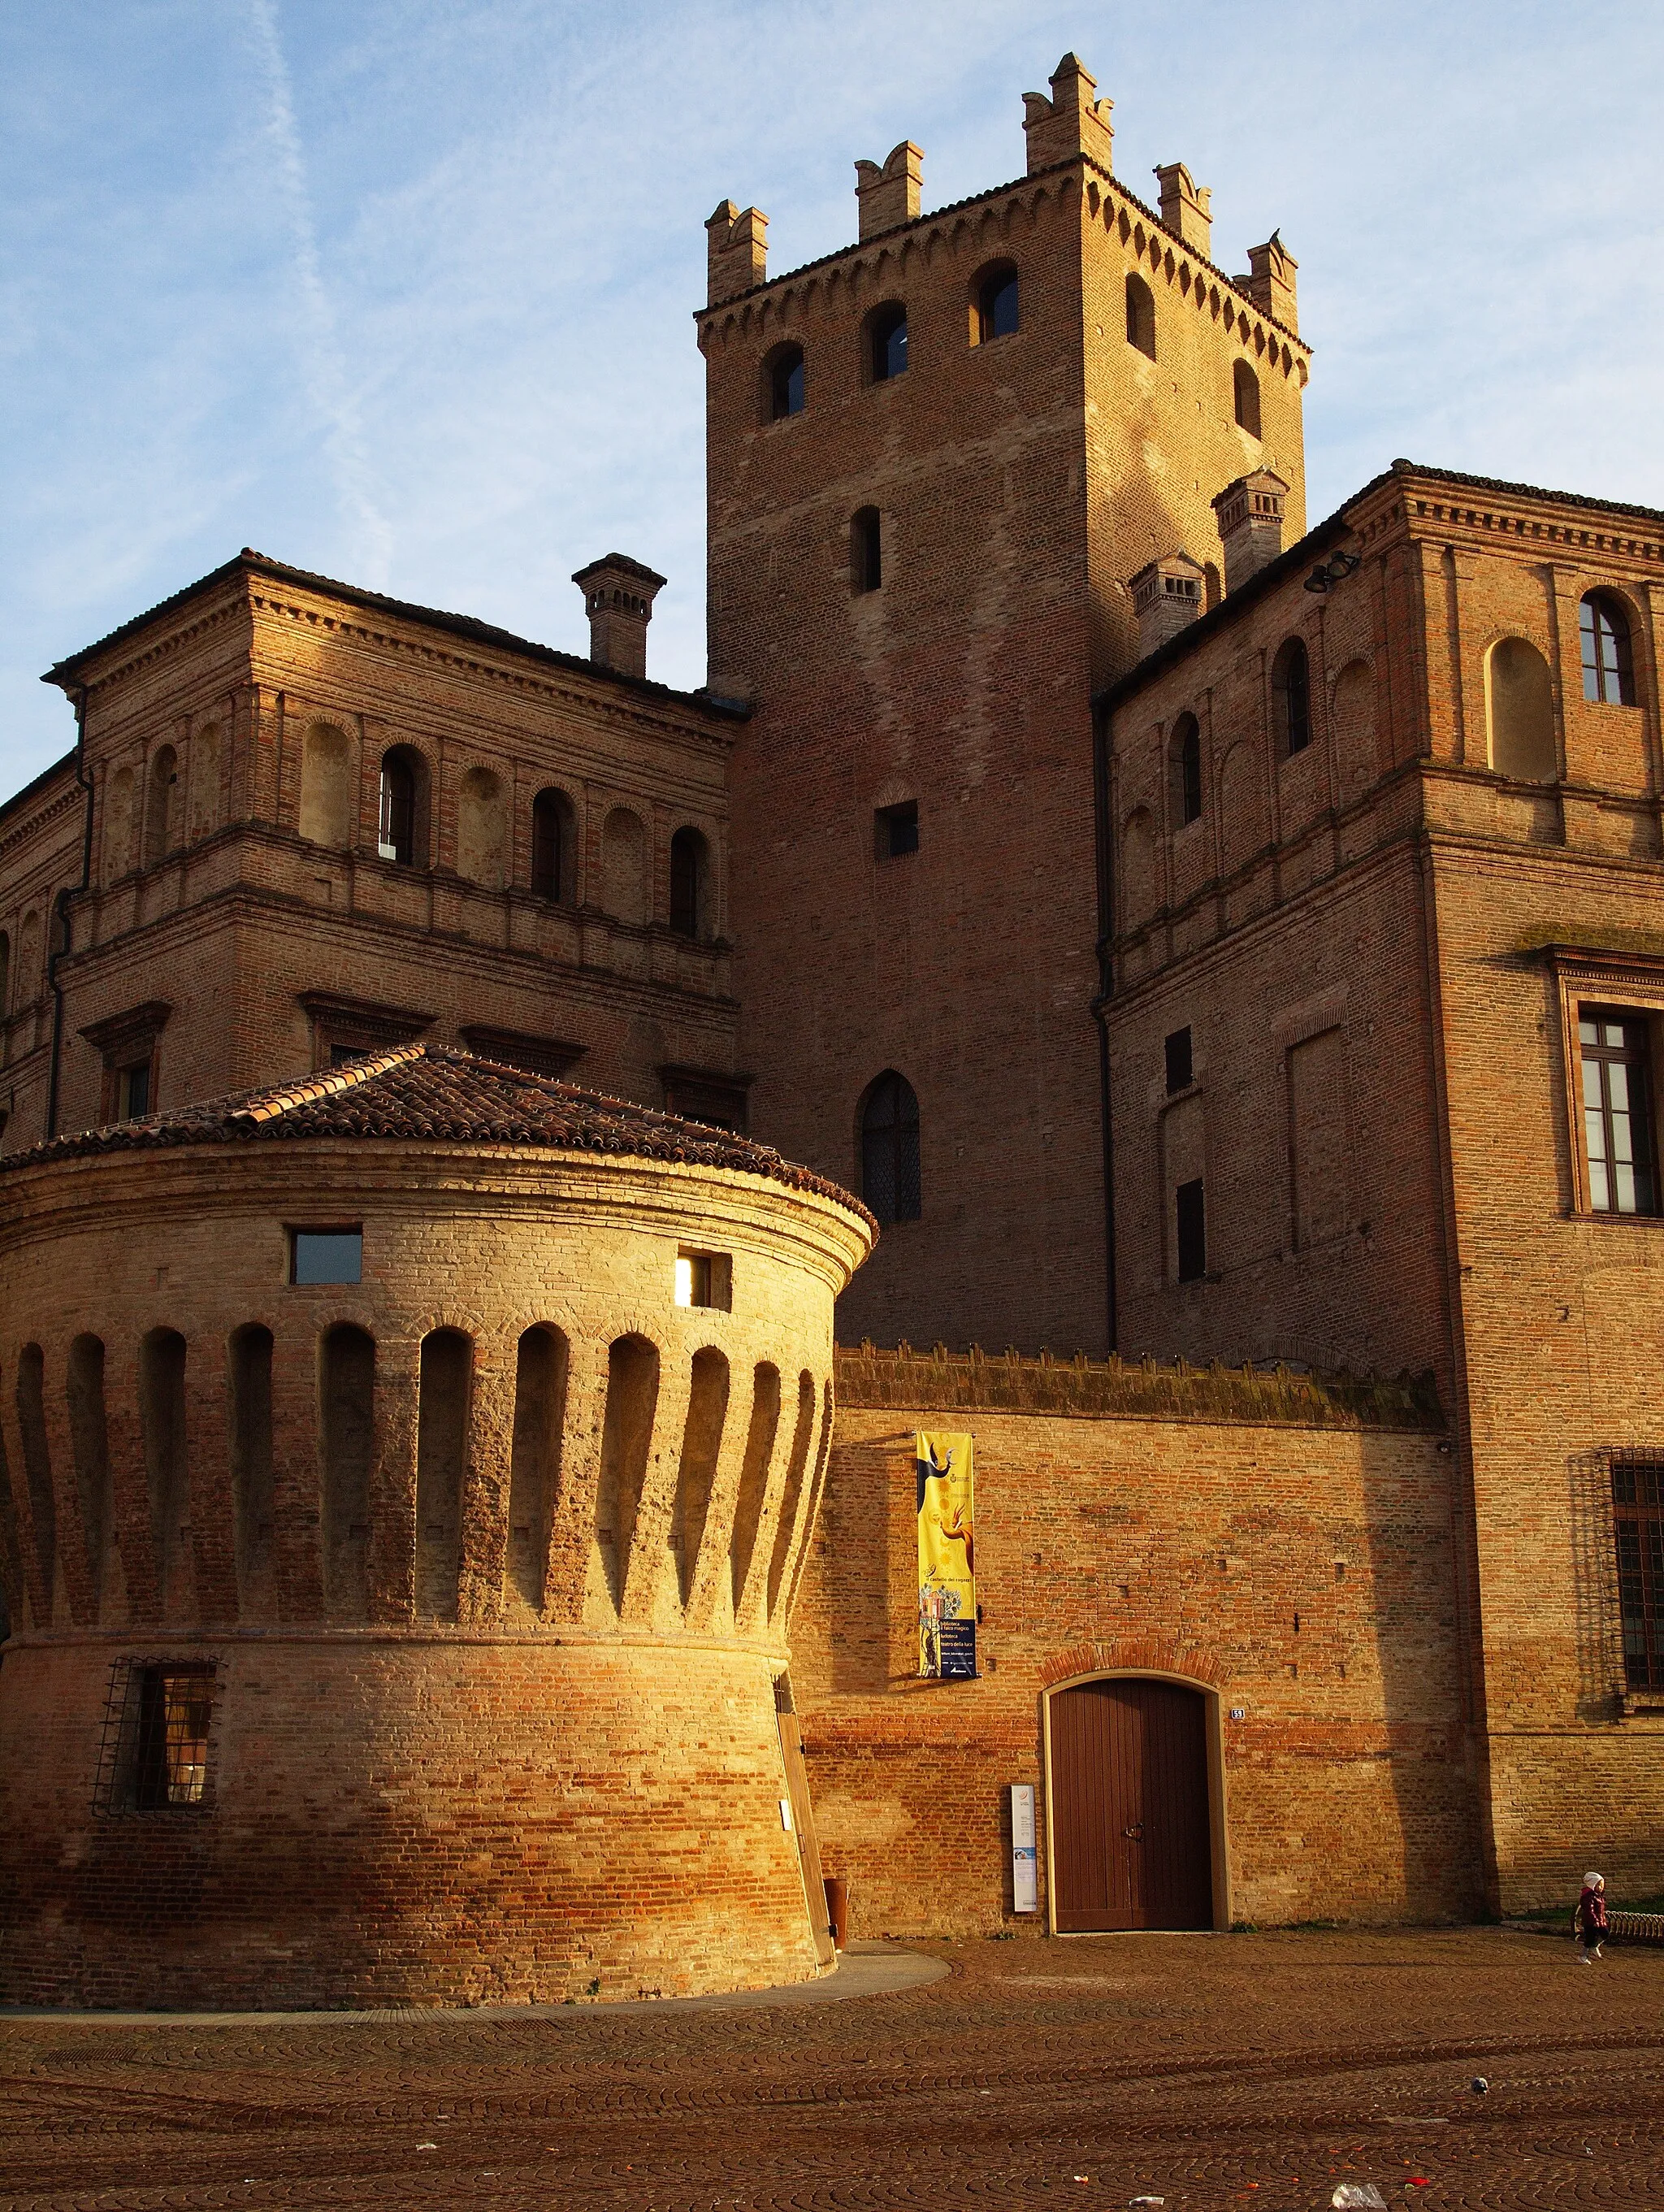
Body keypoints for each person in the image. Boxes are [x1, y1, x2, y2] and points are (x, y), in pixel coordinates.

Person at [1574, 1871, 1608, 1963]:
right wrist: (1594, 1920)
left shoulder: (1598, 1896)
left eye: (1602, 1885)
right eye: (1599, 1885)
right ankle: (1582, 1955)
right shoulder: (1589, 1897)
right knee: (1590, 1939)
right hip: (1590, 1922)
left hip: (1600, 1920)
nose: (1601, 1888)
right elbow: (1589, 1910)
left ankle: (1595, 1946)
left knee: (1605, 1933)